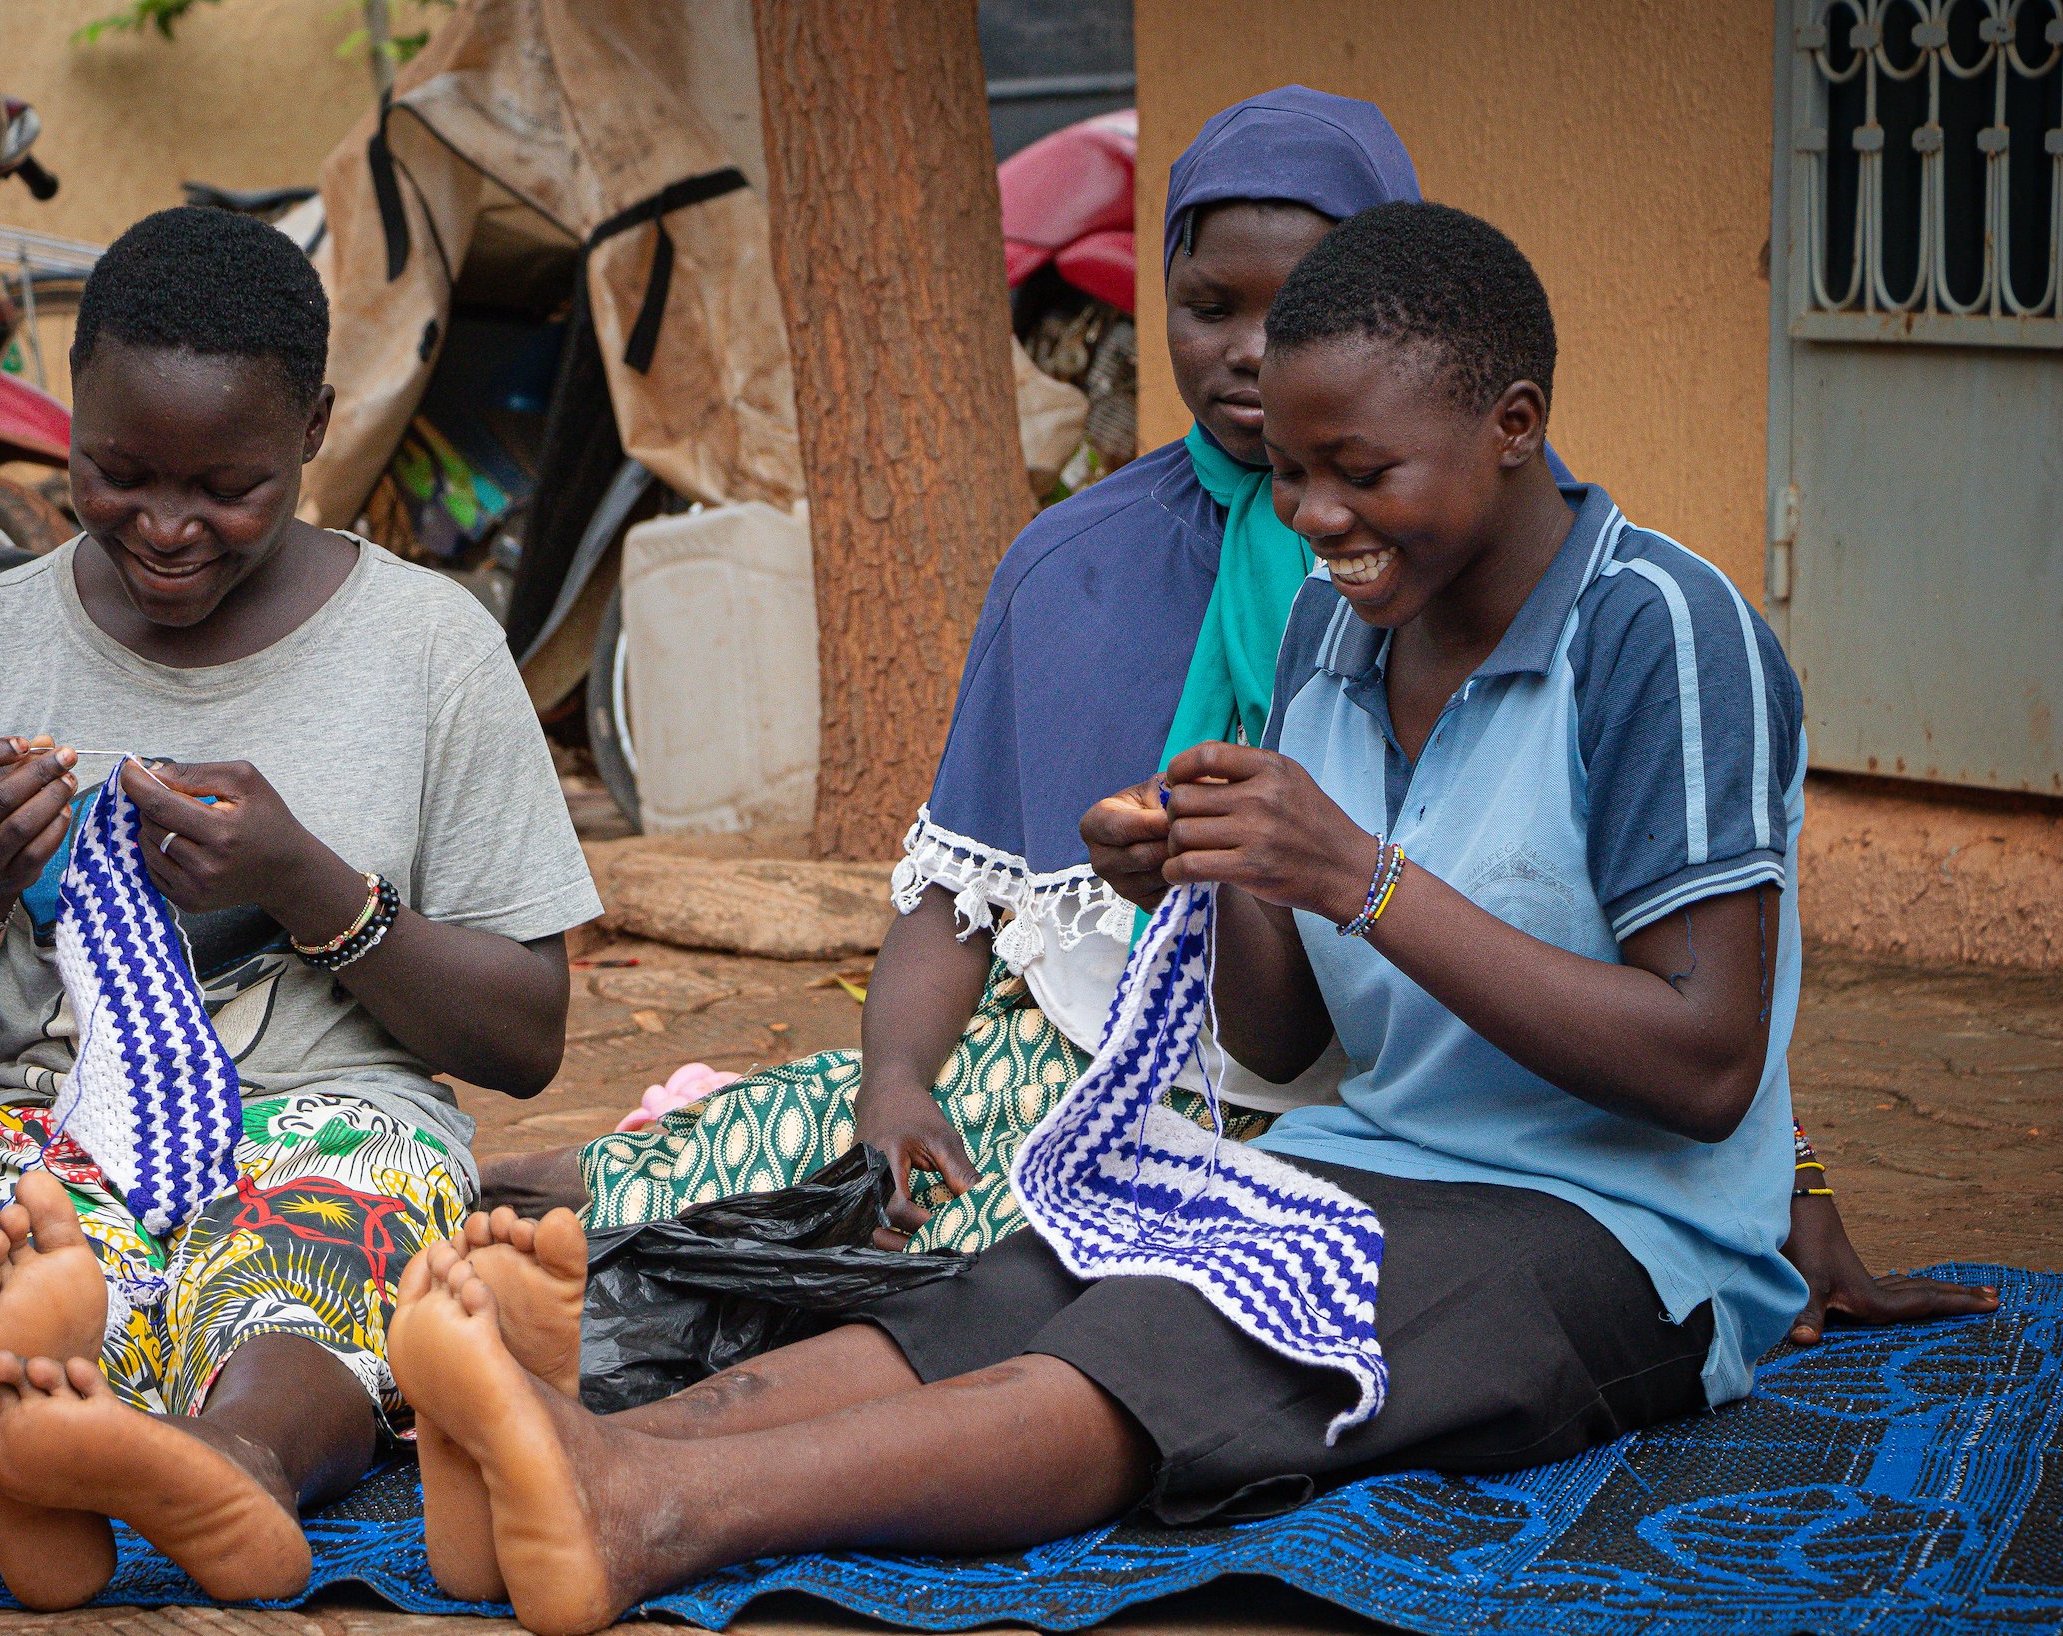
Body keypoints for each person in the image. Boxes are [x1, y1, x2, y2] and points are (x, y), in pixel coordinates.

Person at [385, 200, 1981, 1636]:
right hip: (1372, 1158)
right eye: (1290, 471)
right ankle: (582, 1452)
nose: (1318, 516)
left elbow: (1705, 1063)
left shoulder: (1663, 634)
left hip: (1626, 1234)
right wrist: (1227, 874)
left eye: (1365, 471)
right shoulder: (1334, 627)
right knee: (1024, 1278)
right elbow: (1280, 1037)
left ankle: (650, 1512)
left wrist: (1351, 870)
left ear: (1514, 427)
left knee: (1170, 1352)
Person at [482, 86, 1987, 1340]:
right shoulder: (1079, 566)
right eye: (1208, 307)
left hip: (1354, 1114)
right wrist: (897, 1077)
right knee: (771, 1158)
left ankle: (626, 1372)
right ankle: (436, 1239)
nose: (1252, 355)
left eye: (1303, 311)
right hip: (1115, 1037)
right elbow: (965, 892)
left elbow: (1663, 938)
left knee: (994, 1274)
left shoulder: (1531, 587)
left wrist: (1801, 1188)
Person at [0, 206, 602, 1610]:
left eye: (228, 487)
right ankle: (33, 1442)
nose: (165, 528)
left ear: (315, 424)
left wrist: (307, 881)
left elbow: (527, 1036)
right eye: (115, 473)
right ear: (71, 414)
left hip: (341, 1108)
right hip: (57, 1125)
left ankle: (226, 1456)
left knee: (329, 1237)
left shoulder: (431, 653)